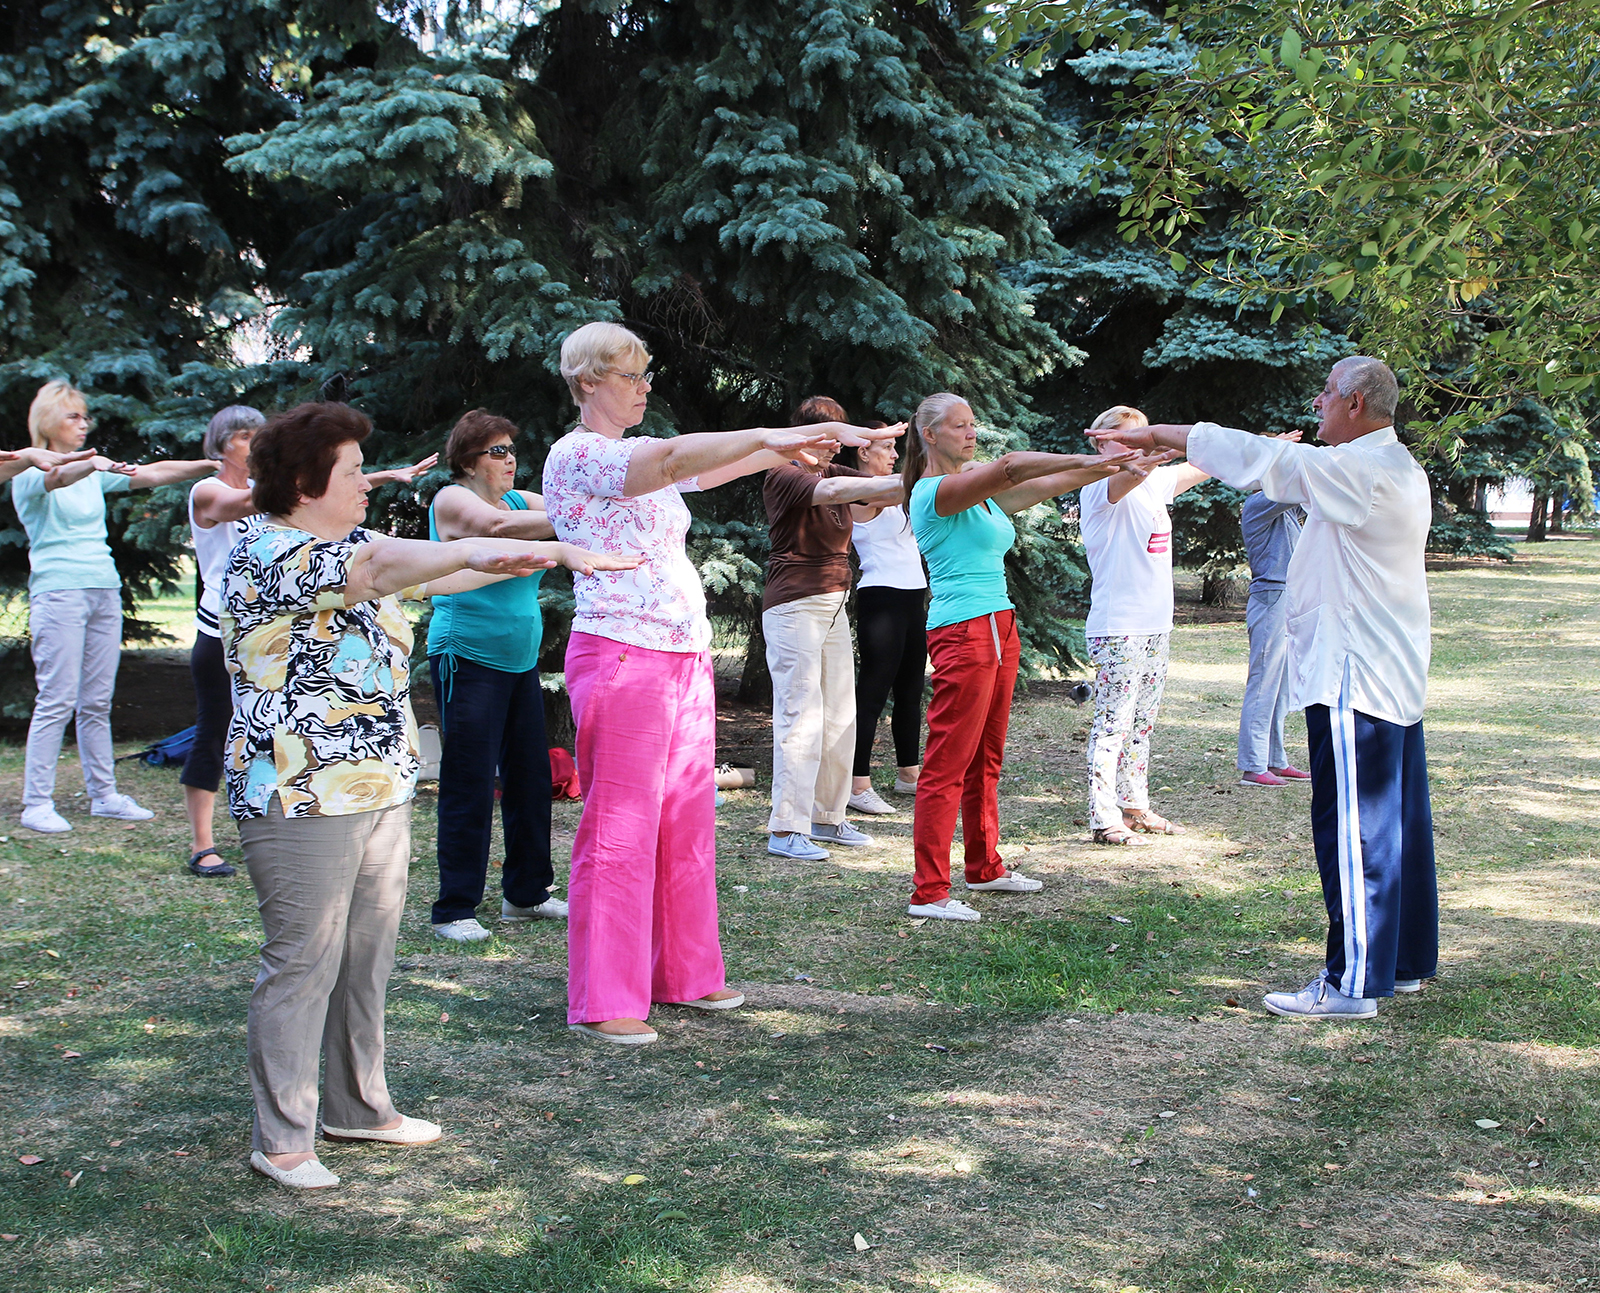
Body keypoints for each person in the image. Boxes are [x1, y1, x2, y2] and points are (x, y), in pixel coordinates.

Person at [223, 400, 555, 1189]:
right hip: (301, 790)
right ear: (305, 481)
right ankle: (283, 1138)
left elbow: (449, 568)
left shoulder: (345, 541)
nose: (367, 483)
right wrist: (511, 545)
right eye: (351, 471)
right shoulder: (266, 549)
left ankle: (357, 1106)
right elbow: (380, 571)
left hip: (378, 783)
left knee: (365, 958)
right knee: (303, 960)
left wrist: (543, 554)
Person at [542, 321, 897, 1043]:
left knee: (684, 819)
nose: (645, 387)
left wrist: (791, 444)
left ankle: (685, 973)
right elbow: (674, 457)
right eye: (630, 376)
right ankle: (605, 996)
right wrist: (777, 434)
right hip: (620, 653)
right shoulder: (579, 454)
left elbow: (709, 465)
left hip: (680, 657)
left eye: (646, 375)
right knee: (621, 827)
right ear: (587, 382)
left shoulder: (638, 457)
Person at [1090, 356, 1437, 1021]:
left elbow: (1264, 464)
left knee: (1356, 832)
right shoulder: (1394, 465)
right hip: (1384, 675)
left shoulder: (1358, 469)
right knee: (1394, 825)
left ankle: (1352, 983)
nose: (1316, 402)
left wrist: (1166, 434)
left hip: (1355, 679)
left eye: (1327, 394)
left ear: (1356, 404)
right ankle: (1402, 960)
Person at [903, 393, 1157, 921]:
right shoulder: (934, 492)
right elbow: (1013, 466)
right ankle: (928, 891)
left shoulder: (984, 497)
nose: (970, 433)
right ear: (929, 435)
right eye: (958, 426)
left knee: (986, 758)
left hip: (999, 626)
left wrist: (1116, 466)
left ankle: (984, 867)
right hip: (963, 631)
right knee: (948, 762)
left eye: (973, 423)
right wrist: (1093, 458)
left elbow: (1045, 484)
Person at [184, 406, 441, 877]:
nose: (251, 440)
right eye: (243, 435)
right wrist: (308, 477)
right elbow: (248, 505)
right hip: (227, 631)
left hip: (298, 617)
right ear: (221, 445)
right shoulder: (218, 494)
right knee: (213, 731)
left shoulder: (335, 533)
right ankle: (203, 842)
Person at [427, 409, 639, 942]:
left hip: (518, 662)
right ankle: (455, 908)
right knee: (470, 781)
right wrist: (569, 523)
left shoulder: (521, 500)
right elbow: (496, 530)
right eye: (496, 451)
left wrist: (600, 500)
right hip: (467, 655)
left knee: (528, 779)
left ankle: (526, 894)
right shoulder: (454, 500)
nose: (509, 461)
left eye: (511, 451)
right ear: (468, 460)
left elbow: (562, 511)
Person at [13, 381, 218, 835]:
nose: (83, 424)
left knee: (96, 702)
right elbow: (59, 477)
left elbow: (152, 473)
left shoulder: (93, 470)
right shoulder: (31, 469)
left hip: (102, 590)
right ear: (48, 421)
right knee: (57, 698)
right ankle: (36, 803)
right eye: (73, 417)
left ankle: (103, 795)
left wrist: (205, 464)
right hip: (59, 593)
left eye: (85, 417)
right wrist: (90, 464)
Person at [762, 396, 903, 860]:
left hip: (834, 603)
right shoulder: (786, 473)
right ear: (802, 436)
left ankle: (827, 816)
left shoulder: (832, 472)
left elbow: (888, 490)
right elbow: (832, 495)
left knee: (840, 715)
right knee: (800, 717)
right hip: (793, 606)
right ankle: (786, 828)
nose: (832, 448)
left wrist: (942, 475)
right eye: (828, 438)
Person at [1079, 404, 1209, 847]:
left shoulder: (1156, 480)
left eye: (1145, 437)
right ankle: (1104, 816)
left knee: (1142, 721)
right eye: (1130, 438)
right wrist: (1144, 460)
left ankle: (1134, 806)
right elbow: (1124, 479)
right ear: (1100, 442)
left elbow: (1198, 466)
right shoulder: (1096, 485)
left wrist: (1261, 448)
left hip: (1156, 624)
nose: (1141, 445)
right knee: (1113, 722)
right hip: (1119, 627)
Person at [840, 426, 927, 816]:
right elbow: (904, 485)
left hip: (912, 598)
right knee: (872, 691)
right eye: (887, 448)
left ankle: (909, 774)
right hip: (882, 598)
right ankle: (857, 783)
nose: (894, 455)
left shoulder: (896, 492)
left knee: (910, 689)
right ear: (862, 454)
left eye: (896, 449)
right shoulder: (863, 494)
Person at [1236, 445, 1312, 787]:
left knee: (1281, 684)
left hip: (1287, 597)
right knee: (1264, 680)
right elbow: (1298, 485)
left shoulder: (1281, 512)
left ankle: (1275, 759)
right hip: (1271, 597)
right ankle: (1253, 765)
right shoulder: (1257, 503)